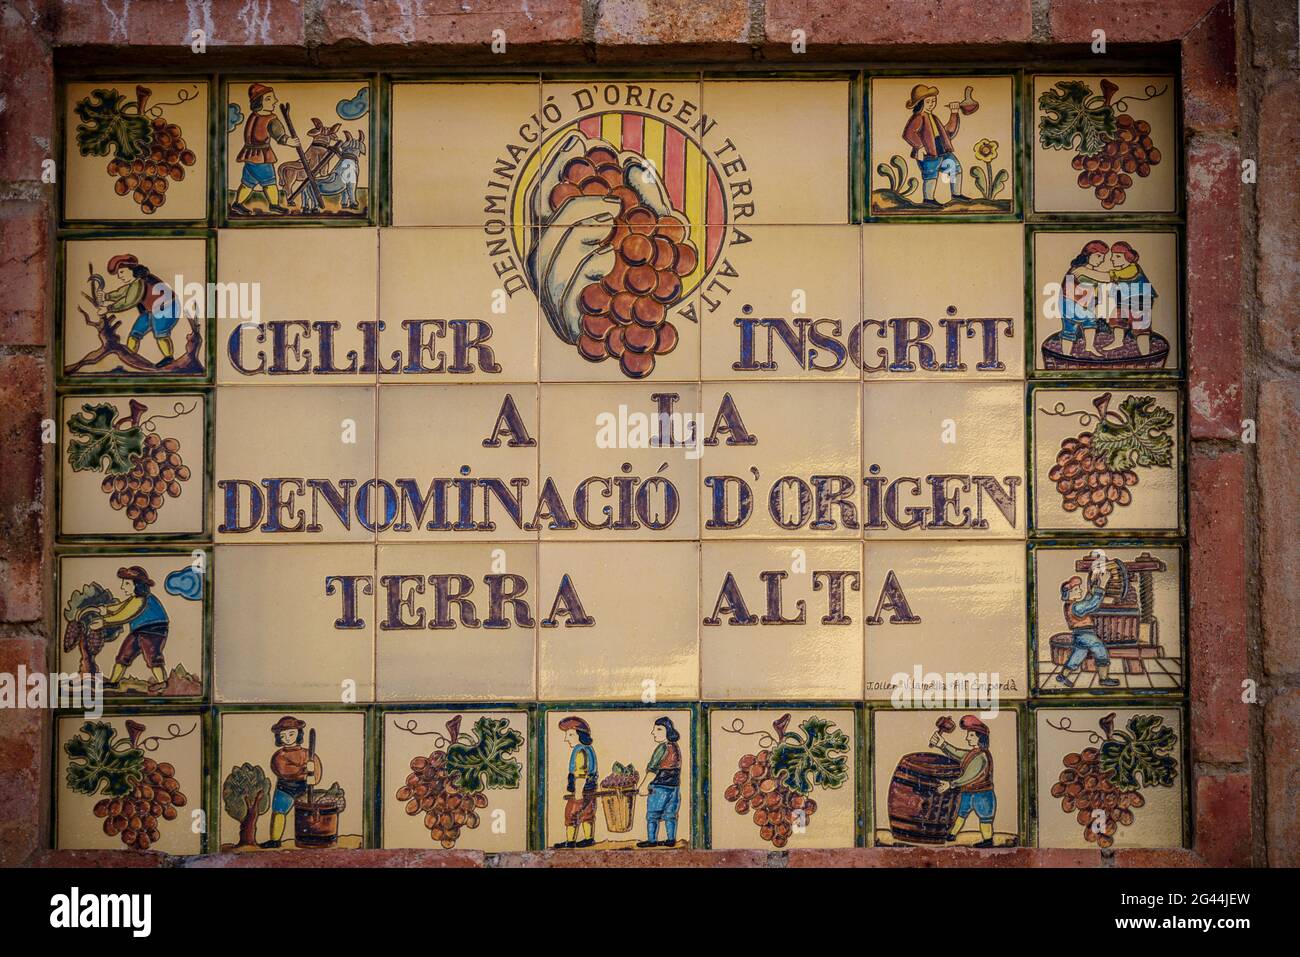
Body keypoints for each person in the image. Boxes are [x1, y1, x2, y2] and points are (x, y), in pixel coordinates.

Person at [84, 565, 170, 693]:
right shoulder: (134, 599)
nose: (123, 587)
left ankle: (162, 682)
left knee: (152, 656)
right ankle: (113, 683)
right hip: (139, 630)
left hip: (154, 630)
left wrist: (105, 621)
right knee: (124, 655)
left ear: (138, 585)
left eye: (127, 584)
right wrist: (105, 609)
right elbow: (120, 606)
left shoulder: (140, 600)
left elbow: (124, 615)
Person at [95, 254, 180, 368]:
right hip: (152, 311)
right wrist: (106, 296)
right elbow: (122, 292)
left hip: (167, 307)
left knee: (160, 333)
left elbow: (129, 300)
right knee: (135, 332)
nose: (119, 277)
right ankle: (130, 355)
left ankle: (169, 358)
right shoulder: (135, 282)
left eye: (121, 272)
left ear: (132, 270)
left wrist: (108, 308)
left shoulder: (140, 282)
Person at [231, 83, 299, 215]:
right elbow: (279, 135)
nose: (275, 101)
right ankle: (274, 205)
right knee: (270, 182)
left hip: (249, 156)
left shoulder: (253, 116)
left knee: (248, 183)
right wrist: (290, 141)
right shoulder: (270, 119)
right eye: (269, 98)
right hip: (261, 157)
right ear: (259, 102)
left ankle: (237, 204)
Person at [930, 715, 997, 847]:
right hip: (968, 793)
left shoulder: (981, 757)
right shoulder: (973, 753)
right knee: (960, 814)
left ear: (980, 738)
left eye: (971, 735)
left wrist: (951, 784)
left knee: (985, 819)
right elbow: (957, 753)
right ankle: (952, 834)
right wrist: (942, 744)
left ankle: (988, 841)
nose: (967, 738)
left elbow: (969, 776)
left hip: (983, 795)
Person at [901, 84, 968, 208]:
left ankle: (956, 195)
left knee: (955, 168)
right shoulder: (918, 117)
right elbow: (908, 133)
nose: (932, 104)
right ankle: (928, 200)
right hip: (927, 152)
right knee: (930, 174)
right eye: (928, 101)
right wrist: (919, 147)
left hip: (941, 149)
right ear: (920, 103)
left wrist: (954, 114)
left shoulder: (933, 117)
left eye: (933, 101)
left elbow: (948, 133)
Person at [1056, 567, 1122, 688]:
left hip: (1079, 635)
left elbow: (1086, 601)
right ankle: (1103, 678)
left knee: (1077, 656)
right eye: (1077, 589)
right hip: (1086, 634)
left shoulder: (1070, 605)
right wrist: (1101, 587)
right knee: (1100, 649)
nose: (1080, 590)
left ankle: (1062, 676)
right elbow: (1091, 605)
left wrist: (1093, 585)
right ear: (1069, 594)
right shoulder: (1076, 607)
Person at [262, 716, 320, 849]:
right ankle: (275, 840)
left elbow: (316, 767)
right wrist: (304, 771)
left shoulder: (307, 753)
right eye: (283, 735)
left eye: (291, 734)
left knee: (305, 814)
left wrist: (313, 776)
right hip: (285, 788)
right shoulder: (279, 755)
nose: (287, 738)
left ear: (299, 734)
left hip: (303, 788)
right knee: (279, 813)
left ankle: (307, 838)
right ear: (278, 737)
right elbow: (283, 770)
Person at [1102, 241, 1158, 356]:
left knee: (1140, 326)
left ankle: (1145, 353)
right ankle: (1118, 341)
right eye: (1112, 256)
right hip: (1123, 301)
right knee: (1117, 318)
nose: (1112, 259)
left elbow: (1116, 276)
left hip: (1140, 300)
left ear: (1128, 257)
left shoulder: (1132, 268)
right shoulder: (1120, 272)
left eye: (1117, 256)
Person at [1059, 240, 1111, 356]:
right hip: (1070, 303)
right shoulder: (1080, 270)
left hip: (1081, 304)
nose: (1101, 260)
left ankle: (1089, 346)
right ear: (1088, 255)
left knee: (1090, 322)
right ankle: (1066, 355)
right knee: (1070, 329)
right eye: (1098, 256)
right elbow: (1104, 279)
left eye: (1103, 257)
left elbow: (1094, 289)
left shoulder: (1087, 270)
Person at [637, 717, 682, 848]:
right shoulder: (675, 747)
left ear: (668, 731)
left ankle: (652, 840)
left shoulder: (662, 748)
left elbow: (652, 768)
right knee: (670, 815)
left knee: (653, 815)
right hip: (674, 788)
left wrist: (643, 786)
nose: (653, 732)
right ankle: (670, 840)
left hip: (659, 788)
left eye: (658, 729)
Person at [555, 716, 597, 848]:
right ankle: (587, 839)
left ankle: (571, 841)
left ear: (580, 735)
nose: (566, 738)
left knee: (571, 814)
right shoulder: (588, 750)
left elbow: (580, 773)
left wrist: (578, 791)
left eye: (570, 734)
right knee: (587, 813)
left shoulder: (580, 752)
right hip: (590, 788)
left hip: (581, 789)